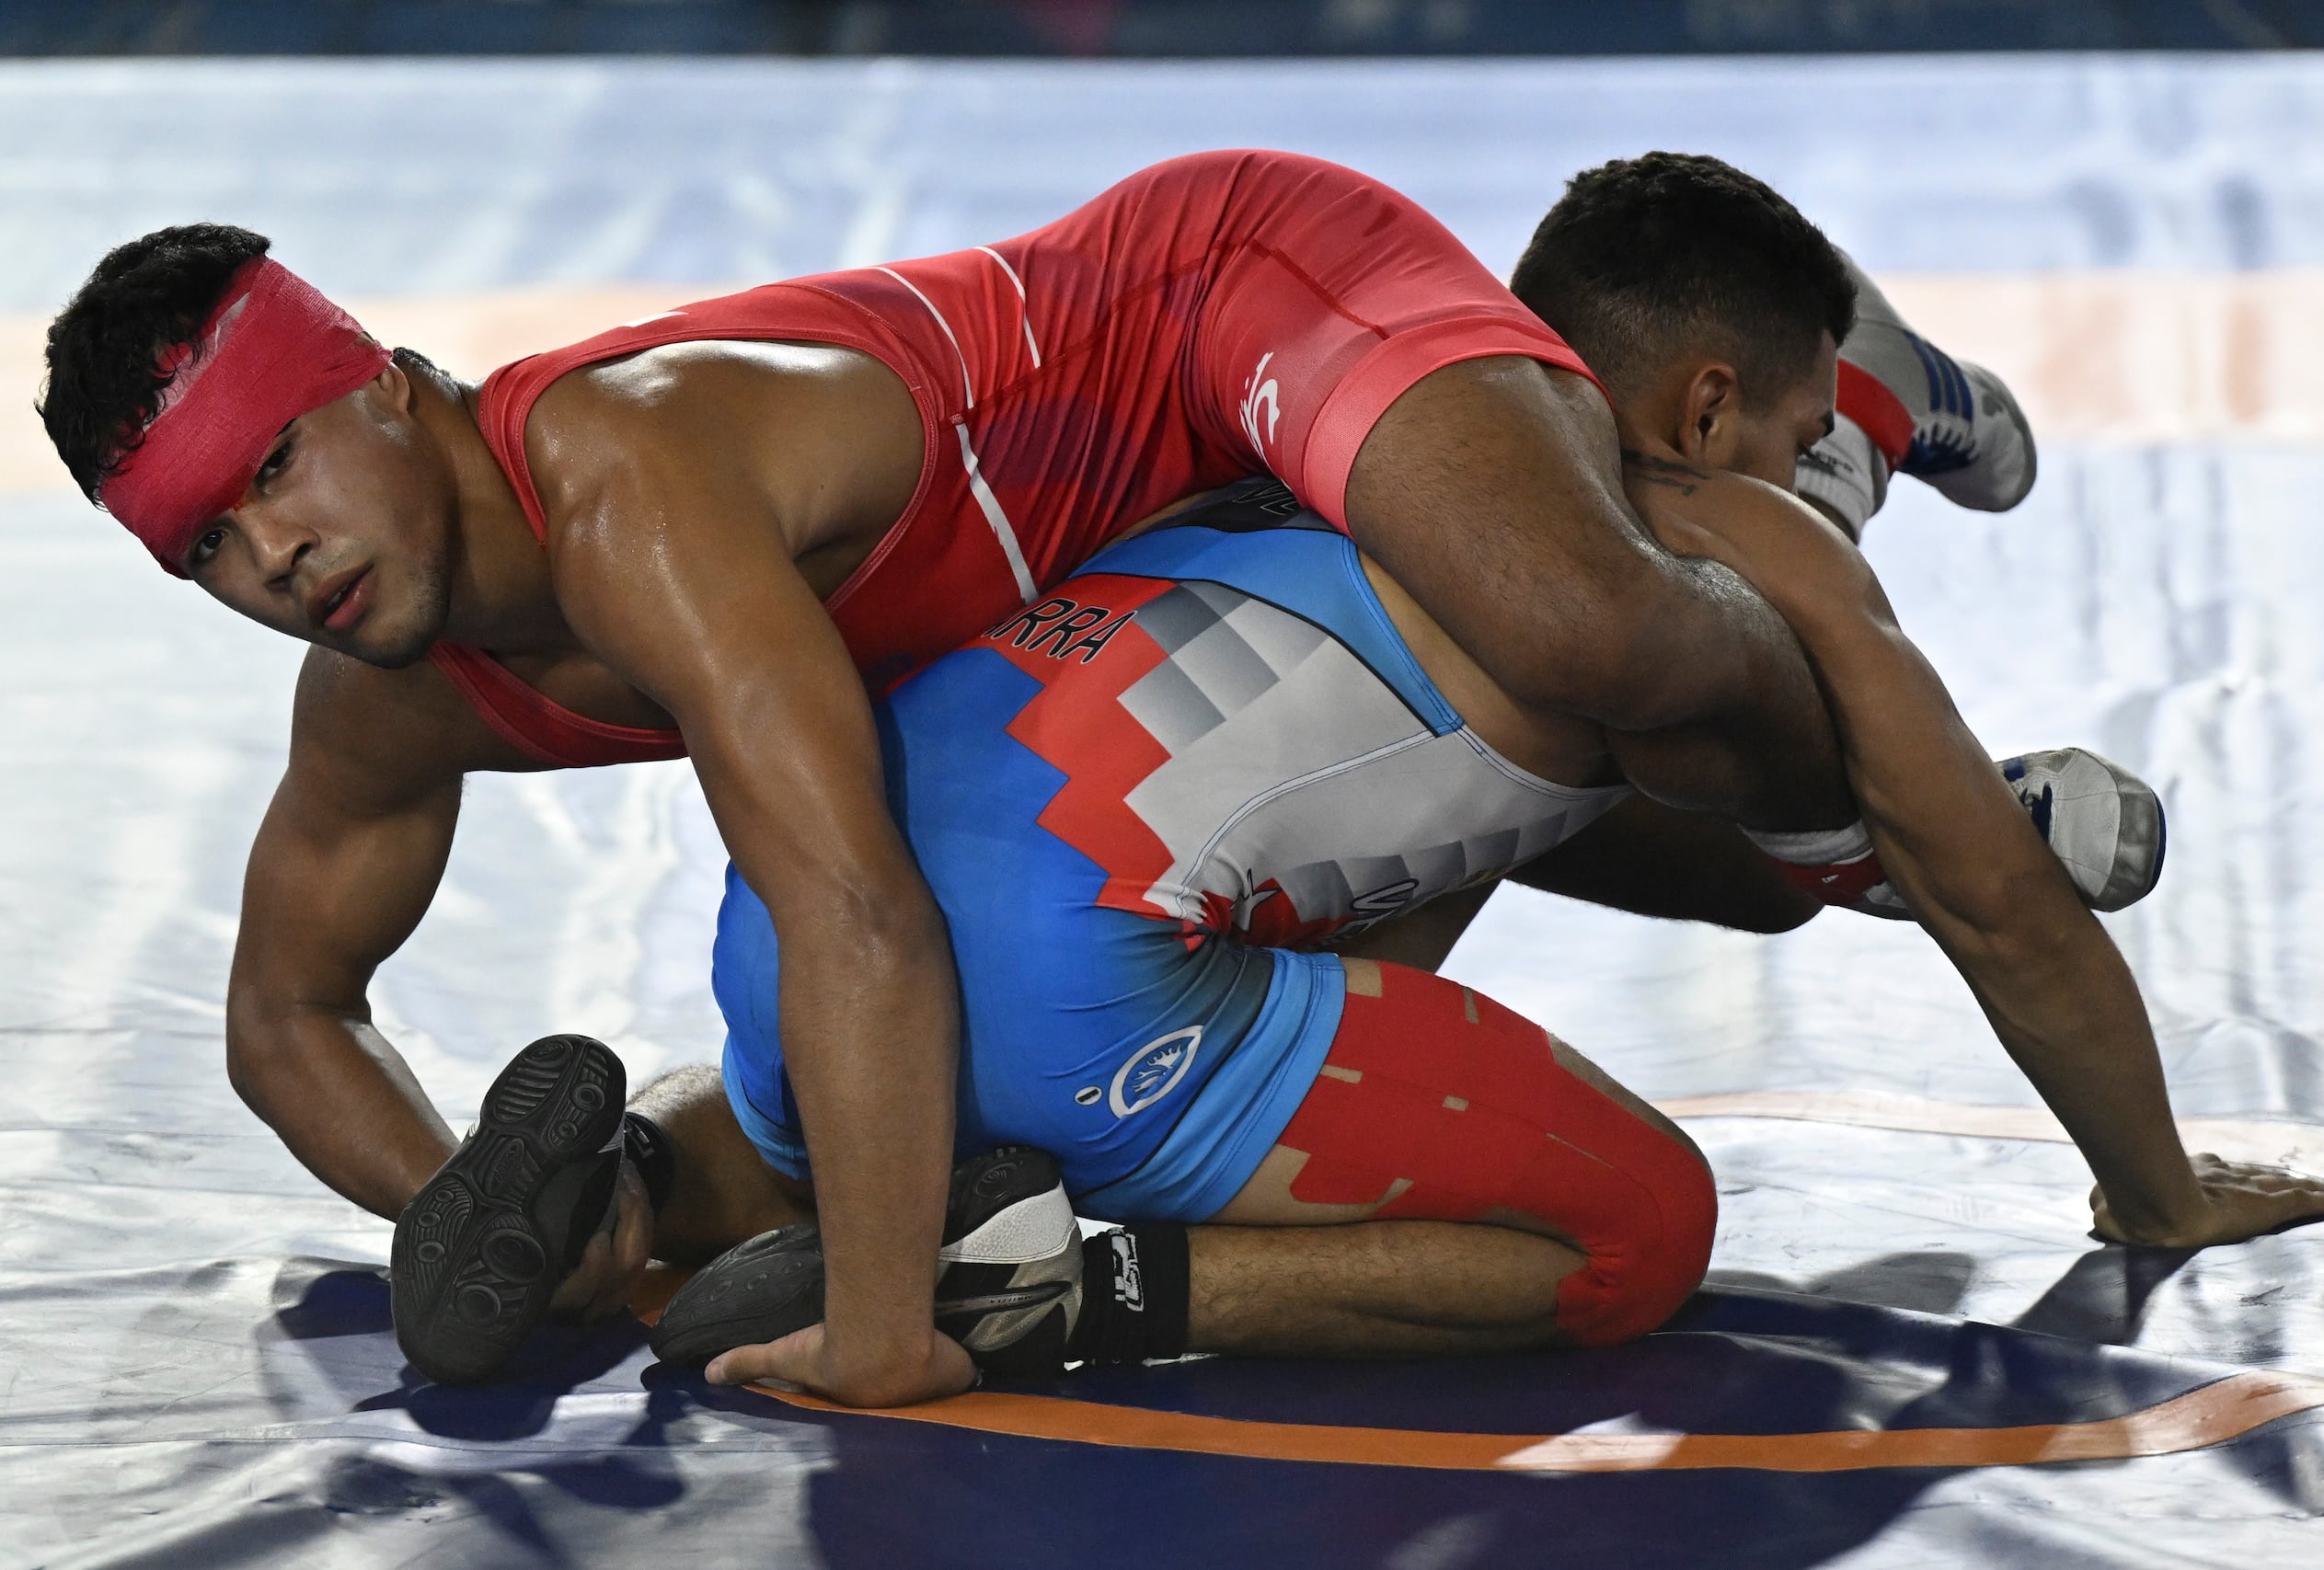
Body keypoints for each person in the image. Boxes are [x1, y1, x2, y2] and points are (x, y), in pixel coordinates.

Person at [41, 150, 1877, 1404]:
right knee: (1476, 794)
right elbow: (284, 1013)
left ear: (375, 379)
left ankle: (1868, 450)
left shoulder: (630, 480)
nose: (266, 556)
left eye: (273, 467)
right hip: (1085, 653)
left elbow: (849, 902)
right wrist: (470, 1199)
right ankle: (624, 1184)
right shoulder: (383, 686)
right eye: (204, 542)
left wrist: (882, 1322)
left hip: (1211, 325)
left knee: (1606, 640)